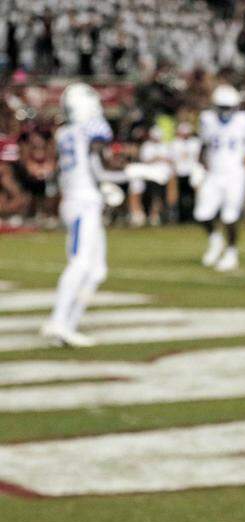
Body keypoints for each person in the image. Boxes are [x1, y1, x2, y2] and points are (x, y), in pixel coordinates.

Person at [40, 83, 117, 346]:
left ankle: (67, 327)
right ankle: (58, 320)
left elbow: (90, 165)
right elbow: (99, 161)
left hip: (79, 199)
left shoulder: (64, 133)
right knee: (81, 263)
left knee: (96, 271)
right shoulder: (91, 128)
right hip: (83, 202)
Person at [195, 84, 245, 272]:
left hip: (235, 173)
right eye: (222, 107)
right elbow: (204, 145)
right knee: (202, 213)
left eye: (228, 107)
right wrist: (200, 166)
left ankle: (232, 252)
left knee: (230, 215)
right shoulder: (206, 119)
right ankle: (215, 241)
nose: (225, 111)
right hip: (214, 173)